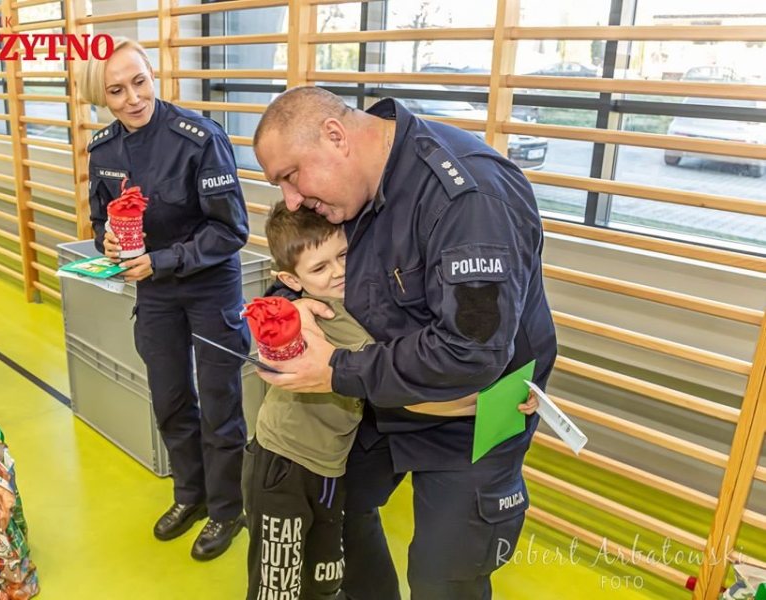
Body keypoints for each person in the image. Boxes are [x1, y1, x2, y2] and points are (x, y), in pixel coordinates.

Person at [253, 86, 558, 599]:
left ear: (335, 137)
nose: (291, 199)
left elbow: (469, 353)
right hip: (383, 398)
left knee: (442, 580)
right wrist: (291, 307)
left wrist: (338, 370)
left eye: (290, 176)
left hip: (471, 417)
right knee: (345, 513)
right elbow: (303, 264)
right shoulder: (345, 186)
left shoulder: (468, 200)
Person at [78, 37, 250, 560]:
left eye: (140, 81)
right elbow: (100, 221)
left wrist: (165, 259)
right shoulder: (103, 149)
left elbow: (231, 230)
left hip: (208, 285)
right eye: (117, 90)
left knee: (219, 404)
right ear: (100, 96)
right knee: (170, 400)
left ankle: (227, 509)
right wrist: (107, 241)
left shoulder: (199, 138)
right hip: (154, 292)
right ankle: (190, 495)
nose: (133, 98)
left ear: (153, 75)